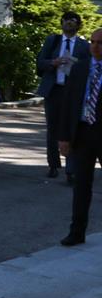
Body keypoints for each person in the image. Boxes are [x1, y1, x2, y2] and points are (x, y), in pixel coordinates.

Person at [58, 28, 102, 246]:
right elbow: (68, 104)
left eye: (100, 43)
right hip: (83, 132)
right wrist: (64, 137)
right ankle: (76, 232)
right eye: (93, 42)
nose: (95, 46)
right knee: (81, 185)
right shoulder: (80, 69)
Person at [37, 12, 88, 182]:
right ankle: (53, 165)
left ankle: (70, 169)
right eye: (66, 20)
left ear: (78, 25)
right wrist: (53, 62)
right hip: (54, 91)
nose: (69, 23)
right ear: (61, 23)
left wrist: (76, 66)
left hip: (73, 93)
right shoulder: (53, 41)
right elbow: (40, 62)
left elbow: (89, 68)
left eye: (73, 21)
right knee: (52, 129)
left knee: (71, 129)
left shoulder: (83, 45)